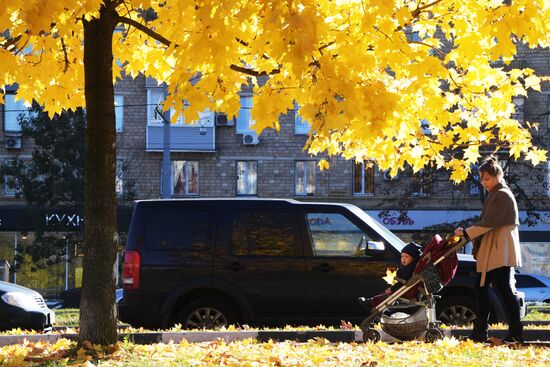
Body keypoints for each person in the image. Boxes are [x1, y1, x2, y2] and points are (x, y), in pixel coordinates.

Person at [454, 156, 523, 343]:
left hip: (498, 249)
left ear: (497, 176)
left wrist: (466, 232)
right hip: (499, 249)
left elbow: (488, 223)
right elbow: (488, 223)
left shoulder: (502, 195)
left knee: (482, 286)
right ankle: (514, 332)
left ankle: (482, 331)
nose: (484, 183)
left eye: (487, 178)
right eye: (482, 179)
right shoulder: (498, 194)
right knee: (502, 288)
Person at [358, 242, 422, 311]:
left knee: (385, 295)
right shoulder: (409, 267)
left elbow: (403, 282)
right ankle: (371, 301)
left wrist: (392, 289)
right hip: (404, 289)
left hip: (403, 290)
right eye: (402, 256)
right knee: (385, 294)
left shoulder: (409, 270)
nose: (403, 259)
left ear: (413, 258)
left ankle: (371, 302)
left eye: (407, 257)